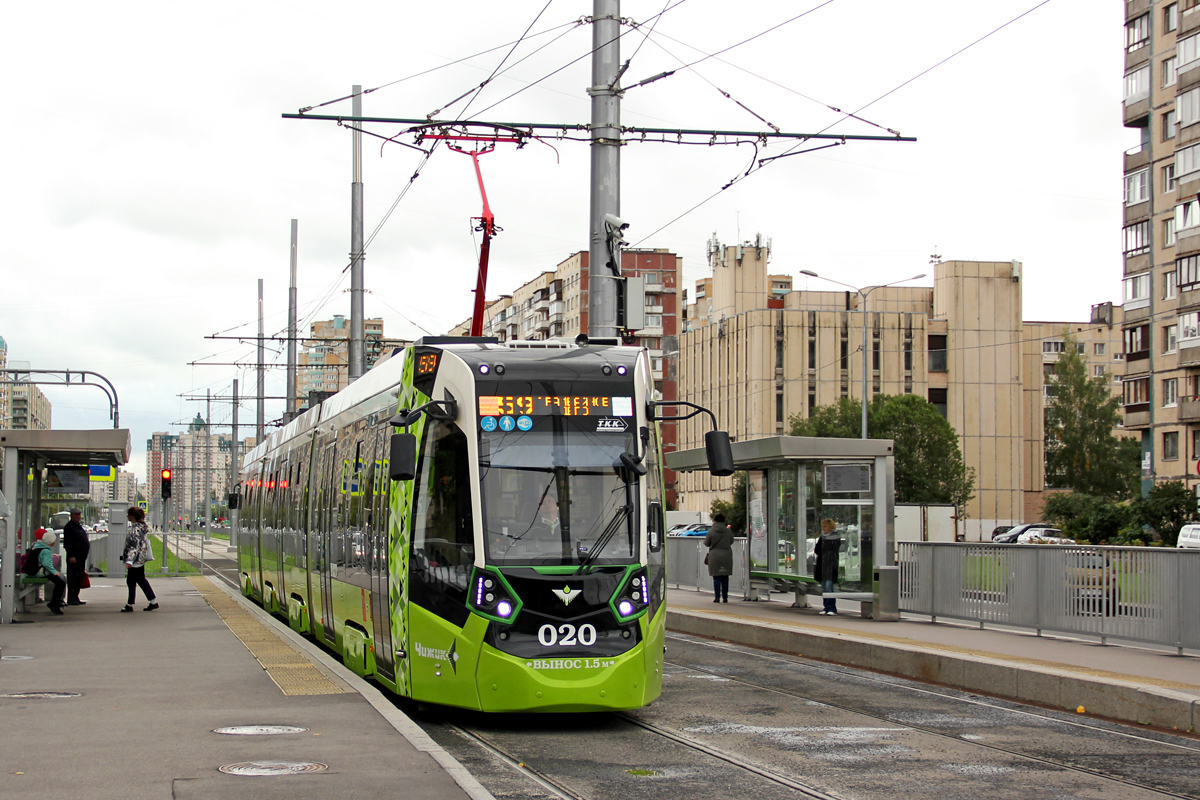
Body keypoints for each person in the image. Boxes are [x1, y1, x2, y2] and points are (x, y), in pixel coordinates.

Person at [121, 507, 158, 612]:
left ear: (132, 516)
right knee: (140, 580)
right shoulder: (141, 527)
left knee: (132, 581)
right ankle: (152, 601)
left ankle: (130, 604)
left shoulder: (135, 529)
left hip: (135, 560)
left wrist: (130, 560)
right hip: (140, 558)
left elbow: (134, 546)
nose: (127, 516)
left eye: (128, 515)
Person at [32, 529, 67, 615]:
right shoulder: (46, 551)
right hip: (42, 573)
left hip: (36, 571)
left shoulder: (38, 547)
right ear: (50, 541)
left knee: (60, 582)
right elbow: (46, 564)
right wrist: (55, 572)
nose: (55, 541)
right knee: (60, 583)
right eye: (54, 540)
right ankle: (54, 603)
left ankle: (54, 602)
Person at [62, 507, 90, 606]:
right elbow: (68, 543)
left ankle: (76, 597)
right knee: (73, 578)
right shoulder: (69, 527)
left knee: (79, 577)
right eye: (76, 514)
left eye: (79, 514)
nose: (78, 516)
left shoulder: (78, 526)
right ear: (71, 516)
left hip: (81, 557)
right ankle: (71, 598)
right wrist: (71, 555)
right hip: (74, 557)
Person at [705, 513, 735, 603]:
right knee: (725, 577)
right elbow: (731, 541)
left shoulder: (711, 531)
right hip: (726, 554)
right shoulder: (728, 531)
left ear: (716, 521)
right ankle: (725, 598)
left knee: (716, 577)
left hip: (715, 555)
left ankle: (717, 597)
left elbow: (706, 543)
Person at [815, 519, 842, 615]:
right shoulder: (822, 537)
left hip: (830, 566)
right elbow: (817, 550)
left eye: (825, 526)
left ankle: (832, 608)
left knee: (829, 587)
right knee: (824, 588)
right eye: (822, 527)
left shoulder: (835, 537)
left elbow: (831, 550)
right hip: (822, 566)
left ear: (830, 527)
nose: (823, 529)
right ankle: (826, 607)